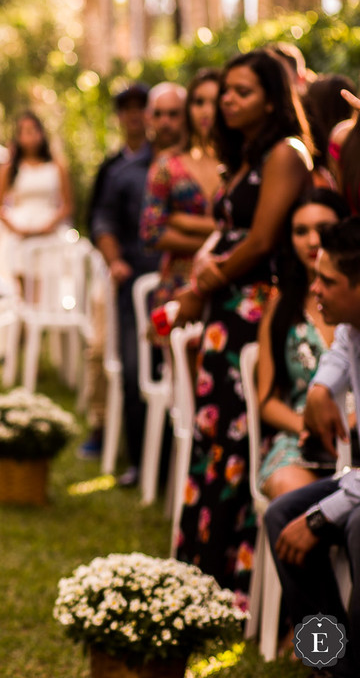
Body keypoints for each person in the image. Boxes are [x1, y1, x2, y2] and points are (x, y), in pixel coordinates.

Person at [172, 48, 315, 606]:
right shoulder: (248, 154)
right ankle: (201, 569)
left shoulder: (286, 152)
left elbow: (260, 242)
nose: (227, 100)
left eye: (242, 91)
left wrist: (201, 286)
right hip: (227, 312)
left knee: (237, 438)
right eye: (225, 90)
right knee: (215, 438)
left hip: (255, 310)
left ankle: (234, 581)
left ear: (273, 99)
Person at [265, 216, 360, 678]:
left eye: (328, 280)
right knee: (281, 515)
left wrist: (321, 517)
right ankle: (331, 663)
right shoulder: (351, 325)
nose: (315, 288)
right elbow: (340, 351)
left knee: (355, 524)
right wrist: (321, 389)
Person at [91, 84, 165, 484]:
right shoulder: (115, 171)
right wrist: (115, 261)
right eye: (128, 109)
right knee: (135, 368)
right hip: (135, 282)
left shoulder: (176, 163)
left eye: (143, 108)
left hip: (174, 282)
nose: (135, 116)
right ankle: (139, 459)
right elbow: (100, 222)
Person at [256, 189, 348, 500]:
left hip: (356, 430)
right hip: (302, 437)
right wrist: (307, 426)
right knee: (293, 492)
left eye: (323, 229)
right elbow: (267, 401)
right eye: (301, 231)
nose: (313, 241)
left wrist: (348, 424)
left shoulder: (354, 302)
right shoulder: (280, 308)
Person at [140, 75, 219, 312]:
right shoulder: (168, 165)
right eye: (199, 102)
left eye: (214, 102)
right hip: (180, 284)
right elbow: (151, 232)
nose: (206, 111)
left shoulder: (241, 163)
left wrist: (185, 222)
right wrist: (219, 241)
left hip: (230, 277)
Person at [0, 111, 72, 276]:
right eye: (26, 131)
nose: (31, 136)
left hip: (50, 229)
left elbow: (68, 205)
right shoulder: (8, 169)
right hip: (18, 231)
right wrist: (16, 229)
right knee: (16, 270)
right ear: (19, 136)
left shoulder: (57, 166)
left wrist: (50, 225)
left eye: (35, 130)